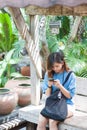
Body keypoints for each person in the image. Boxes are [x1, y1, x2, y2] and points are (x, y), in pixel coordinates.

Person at [37, 50, 76, 130]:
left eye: (57, 66)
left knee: (52, 121)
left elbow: (70, 96)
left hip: (67, 105)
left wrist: (60, 86)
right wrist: (49, 86)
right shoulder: (49, 73)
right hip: (53, 104)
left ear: (62, 63)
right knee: (41, 120)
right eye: (52, 67)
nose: (54, 69)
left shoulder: (70, 75)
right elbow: (48, 95)